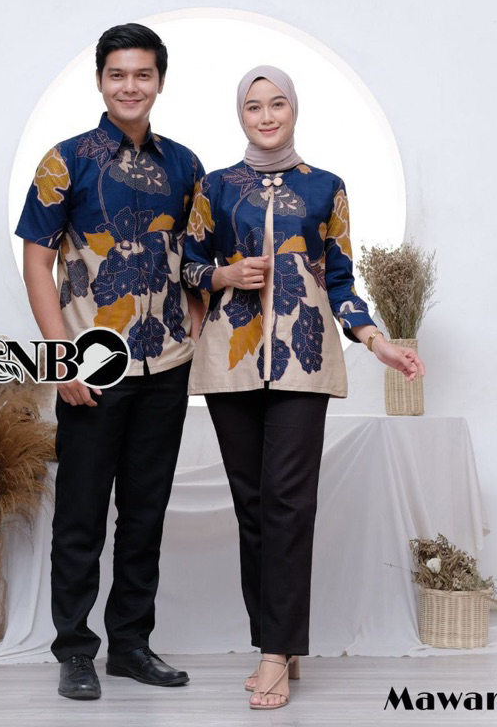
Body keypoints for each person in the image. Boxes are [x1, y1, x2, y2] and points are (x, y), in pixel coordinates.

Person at [182, 66, 424, 710]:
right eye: (253, 106)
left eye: (277, 104)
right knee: (253, 505)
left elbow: (340, 279)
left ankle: (274, 654)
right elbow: (188, 264)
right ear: (241, 115)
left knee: (289, 501)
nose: (266, 116)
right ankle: (277, 641)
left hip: (304, 357)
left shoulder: (326, 187)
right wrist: (226, 274)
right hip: (231, 360)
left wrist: (376, 340)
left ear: (294, 109)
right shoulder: (214, 186)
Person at [15, 23, 204, 701]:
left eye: (142, 74)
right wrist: (61, 360)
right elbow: (36, 263)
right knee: (81, 517)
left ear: (160, 82)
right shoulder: (65, 161)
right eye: (118, 74)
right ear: (100, 80)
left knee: (145, 515)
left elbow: (196, 259)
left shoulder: (186, 166)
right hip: (90, 368)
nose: (130, 86)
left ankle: (130, 646)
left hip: (166, 369)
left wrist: (196, 323)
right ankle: (74, 651)